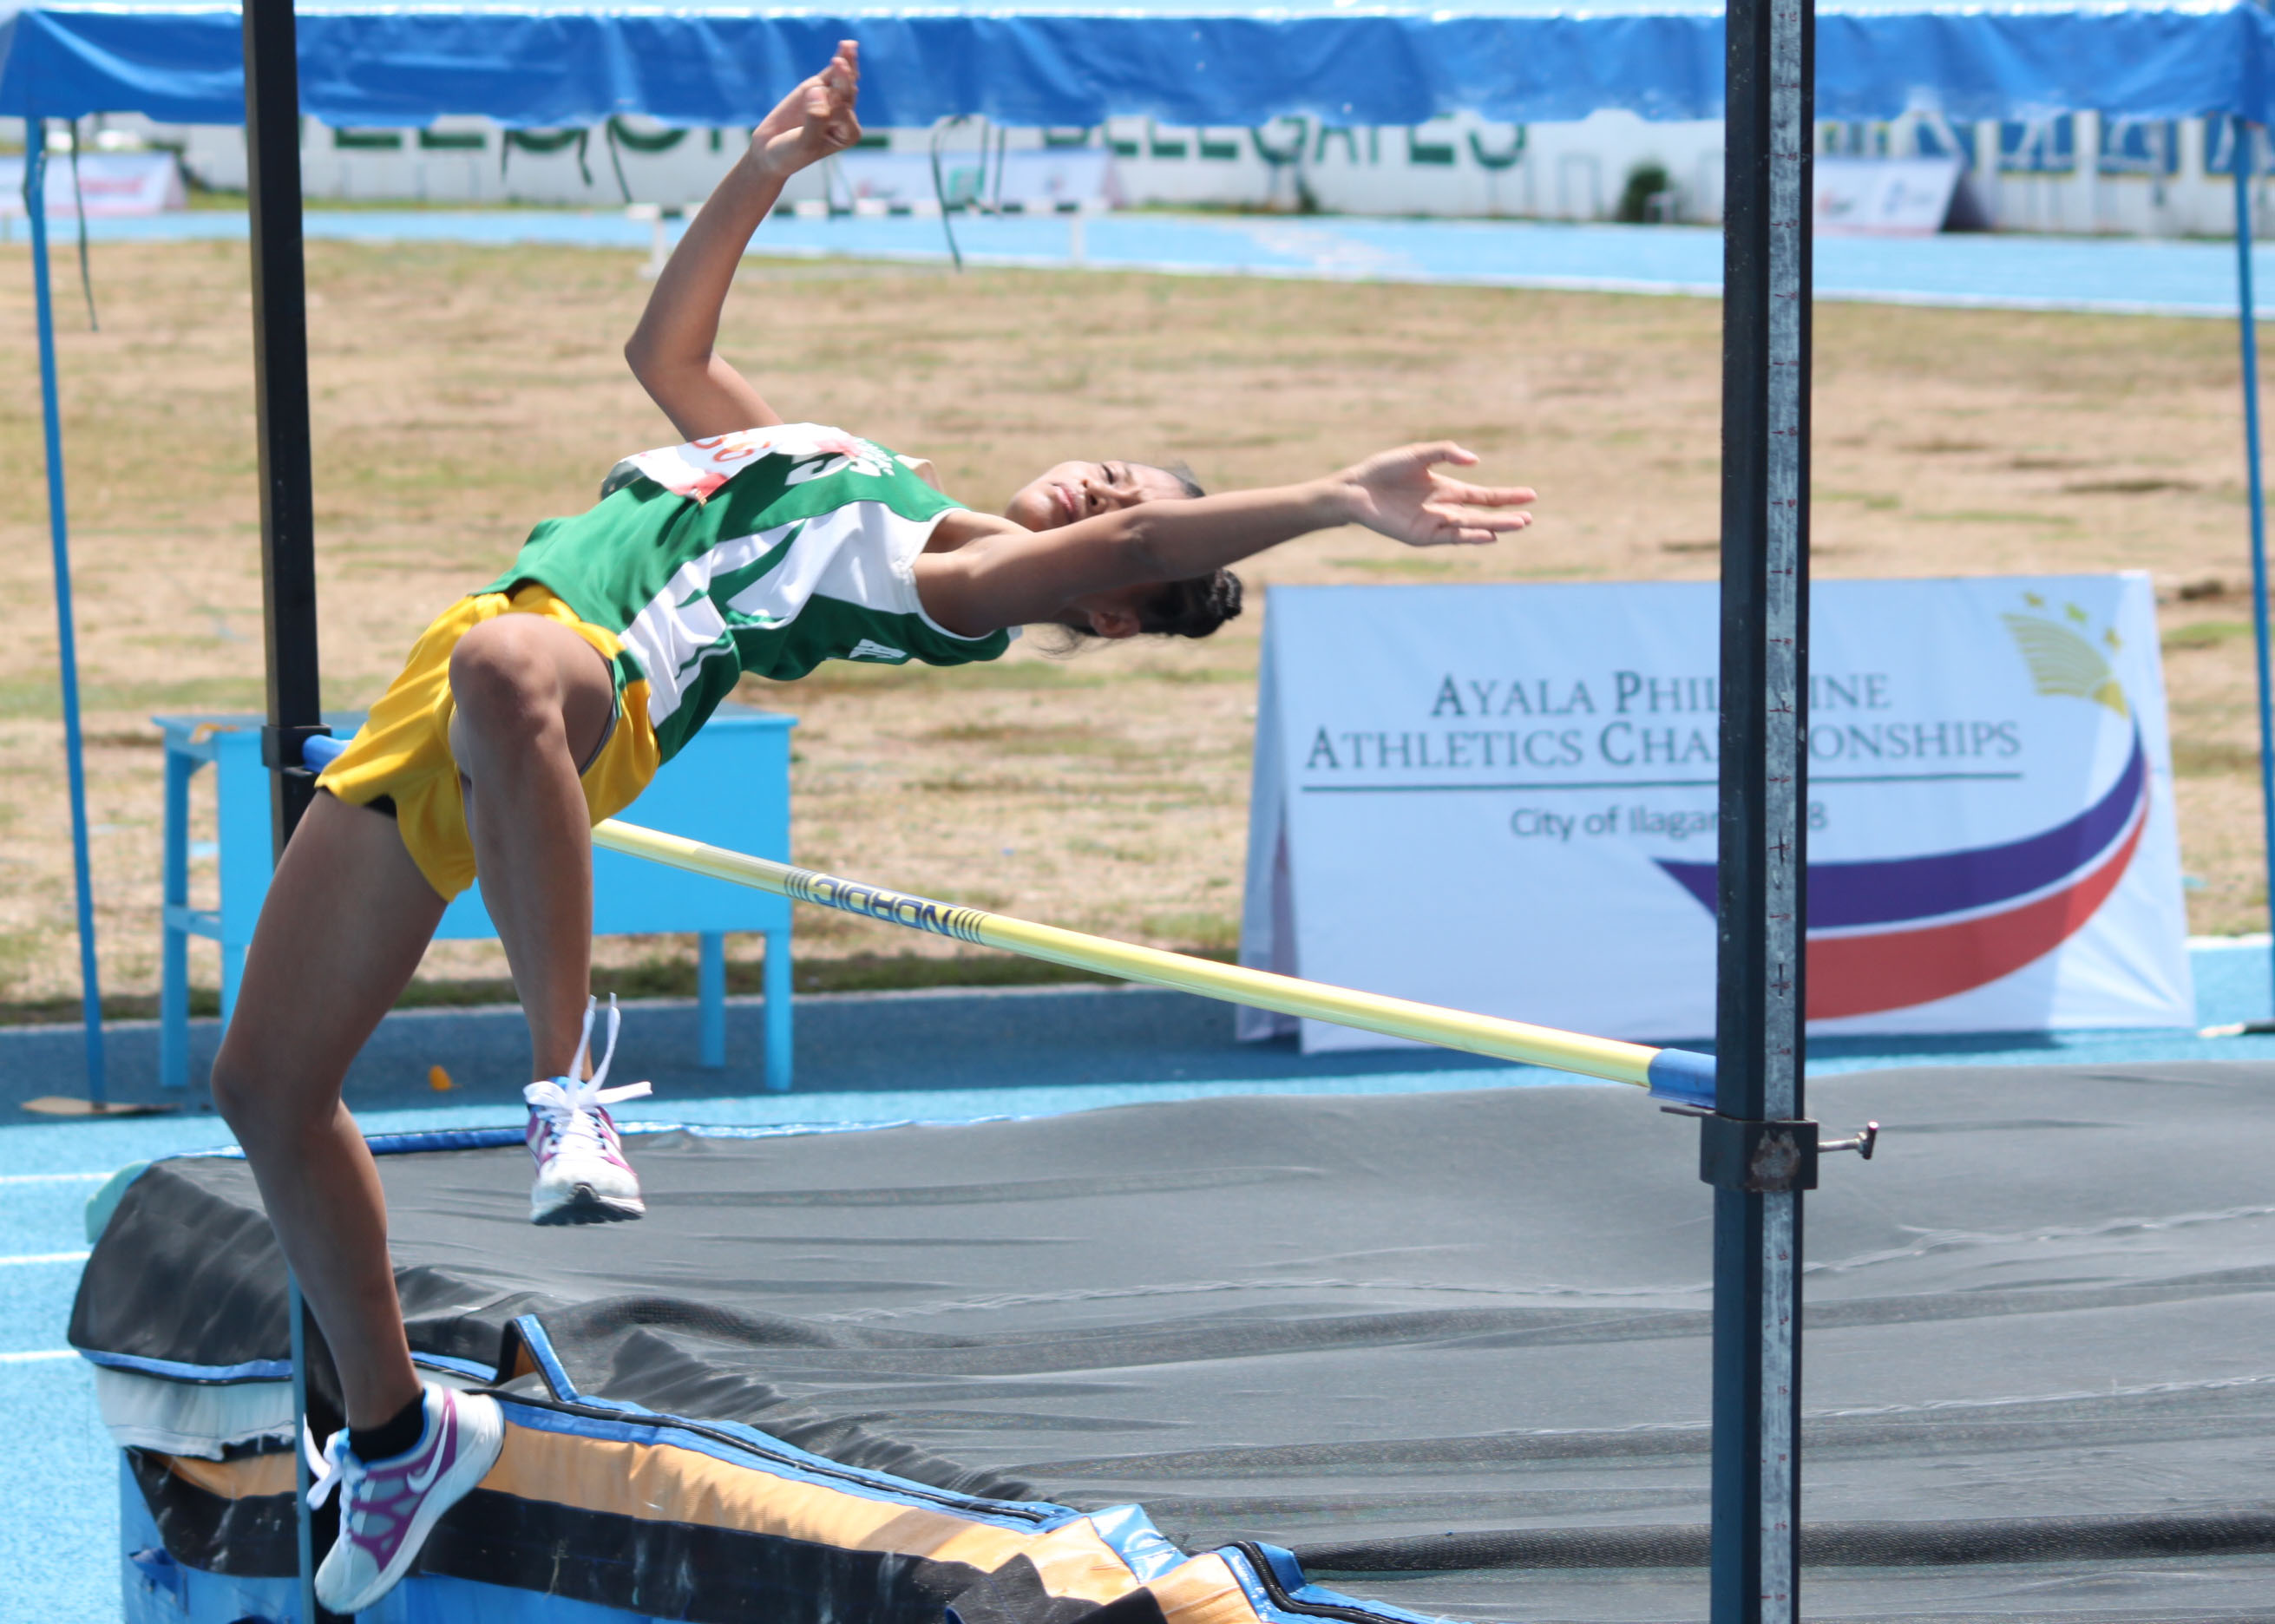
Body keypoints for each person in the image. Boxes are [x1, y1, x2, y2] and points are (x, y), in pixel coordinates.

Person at [205, 38, 1536, 1615]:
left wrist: (1324, 496)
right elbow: (667, 353)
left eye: (1132, 513)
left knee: (512, 666)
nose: (1114, 480)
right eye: (1124, 459)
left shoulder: (947, 587)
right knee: (268, 1089)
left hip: (578, 685)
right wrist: (765, 170)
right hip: (462, 680)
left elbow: (1138, 533)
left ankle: (569, 1089)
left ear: (1104, 610)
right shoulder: (870, 485)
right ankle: (397, 1433)